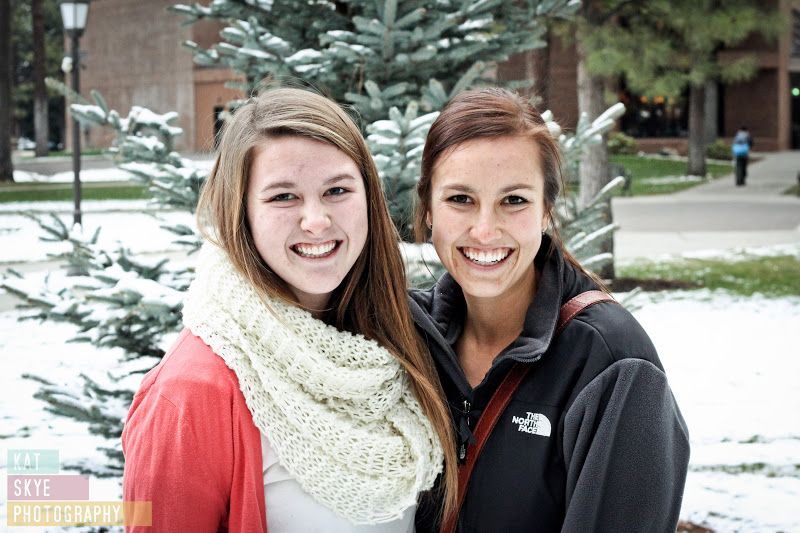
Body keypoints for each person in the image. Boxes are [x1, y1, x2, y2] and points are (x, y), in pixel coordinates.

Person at [121, 87, 456, 532]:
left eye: (337, 190)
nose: (316, 220)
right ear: (241, 212)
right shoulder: (191, 393)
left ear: (368, 199)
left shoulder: (400, 348)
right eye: (283, 197)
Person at [409, 88, 690, 533]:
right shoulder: (403, 339)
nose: (485, 230)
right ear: (428, 209)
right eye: (460, 199)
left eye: (514, 200)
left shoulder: (613, 365)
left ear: (546, 212)